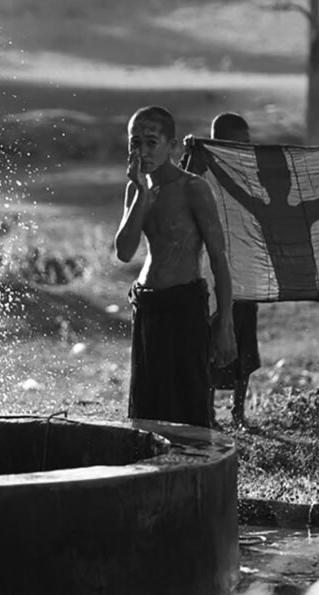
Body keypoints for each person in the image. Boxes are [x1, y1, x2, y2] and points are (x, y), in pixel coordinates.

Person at [115, 105, 236, 428]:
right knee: (148, 400)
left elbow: (219, 258)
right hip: (148, 304)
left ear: (172, 146)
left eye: (151, 142)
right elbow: (125, 252)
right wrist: (140, 190)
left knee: (188, 401)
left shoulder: (192, 188)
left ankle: (193, 471)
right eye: (135, 142)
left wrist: (224, 324)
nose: (142, 151)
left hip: (184, 303)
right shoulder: (136, 188)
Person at [206, 112, 261, 429]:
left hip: (247, 273)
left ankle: (238, 411)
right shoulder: (203, 171)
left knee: (245, 342)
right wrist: (194, 152)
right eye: (236, 144)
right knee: (213, 340)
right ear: (216, 143)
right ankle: (210, 411)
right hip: (215, 274)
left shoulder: (253, 173)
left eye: (247, 143)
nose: (244, 149)